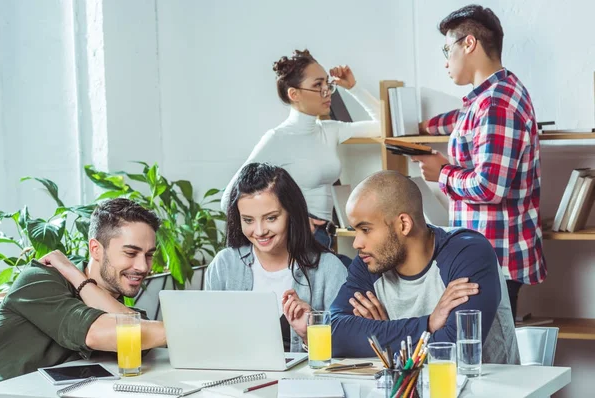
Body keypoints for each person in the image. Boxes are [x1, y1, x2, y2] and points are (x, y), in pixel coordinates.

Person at [413, 5, 546, 319]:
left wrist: (442, 173)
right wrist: (429, 126)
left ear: (468, 44)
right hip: (488, 256)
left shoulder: (496, 104)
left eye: (448, 49)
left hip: (493, 259)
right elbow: (466, 119)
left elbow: (489, 187)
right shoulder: (493, 95)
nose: (446, 61)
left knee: (485, 362)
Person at [330, 171, 519, 364]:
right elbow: (332, 334)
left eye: (366, 230)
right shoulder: (369, 261)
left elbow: (455, 352)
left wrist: (382, 334)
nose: (357, 244)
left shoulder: (468, 253)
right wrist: (427, 325)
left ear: (403, 224)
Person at [220, 49, 381, 264]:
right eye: (317, 85)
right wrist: (291, 221)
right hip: (296, 241)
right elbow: (228, 200)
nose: (327, 91)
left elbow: (384, 126)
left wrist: (353, 88)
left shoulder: (329, 130)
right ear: (294, 94)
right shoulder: (277, 138)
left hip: (325, 236)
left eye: (327, 84)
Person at [0, 198, 166, 383]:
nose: (142, 266)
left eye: (149, 255)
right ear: (96, 249)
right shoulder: (39, 279)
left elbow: (140, 342)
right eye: (130, 253)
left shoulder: (113, 299)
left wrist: (76, 276)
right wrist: (187, 327)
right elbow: (97, 333)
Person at [207, 163, 347, 352]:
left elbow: (346, 352)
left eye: (271, 218)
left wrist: (309, 334)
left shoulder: (329, 269)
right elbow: (209, 338)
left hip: (302, 380)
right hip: (237, 379)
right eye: (248, 220)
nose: (259, 231)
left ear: (292, 213)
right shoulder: (223, 265)